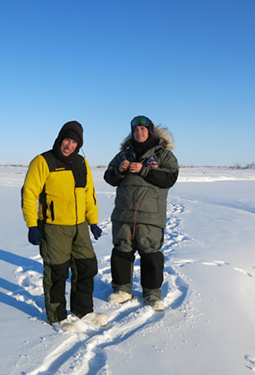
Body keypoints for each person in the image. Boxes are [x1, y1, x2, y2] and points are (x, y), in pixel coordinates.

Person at [21, 120, 108, 331]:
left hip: (79, 226)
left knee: (86, 267)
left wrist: (93, 221)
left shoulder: (81, 163)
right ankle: (57, 316)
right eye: (66, 140)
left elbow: (89, 194)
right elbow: (29, 193)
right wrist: (32, 224)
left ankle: (83, 310)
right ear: (60, 139)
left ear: (79, 145)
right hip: (54, 226)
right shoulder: (43, 161)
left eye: (74, 142)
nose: (69, 145)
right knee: (57, 272)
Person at [103, 115, 178, 311]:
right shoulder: (123, 155)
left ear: (150, 131)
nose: (139, 132)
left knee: (151, 253)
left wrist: (144, 170)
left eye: (143, 129)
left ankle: (152, 293)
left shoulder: (163, 155)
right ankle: (122, 290)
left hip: (151, 215)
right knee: (121, 251)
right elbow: (109, 177)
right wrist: (119, 170)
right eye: (136, 129)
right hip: (124, 214)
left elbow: (169, 178)